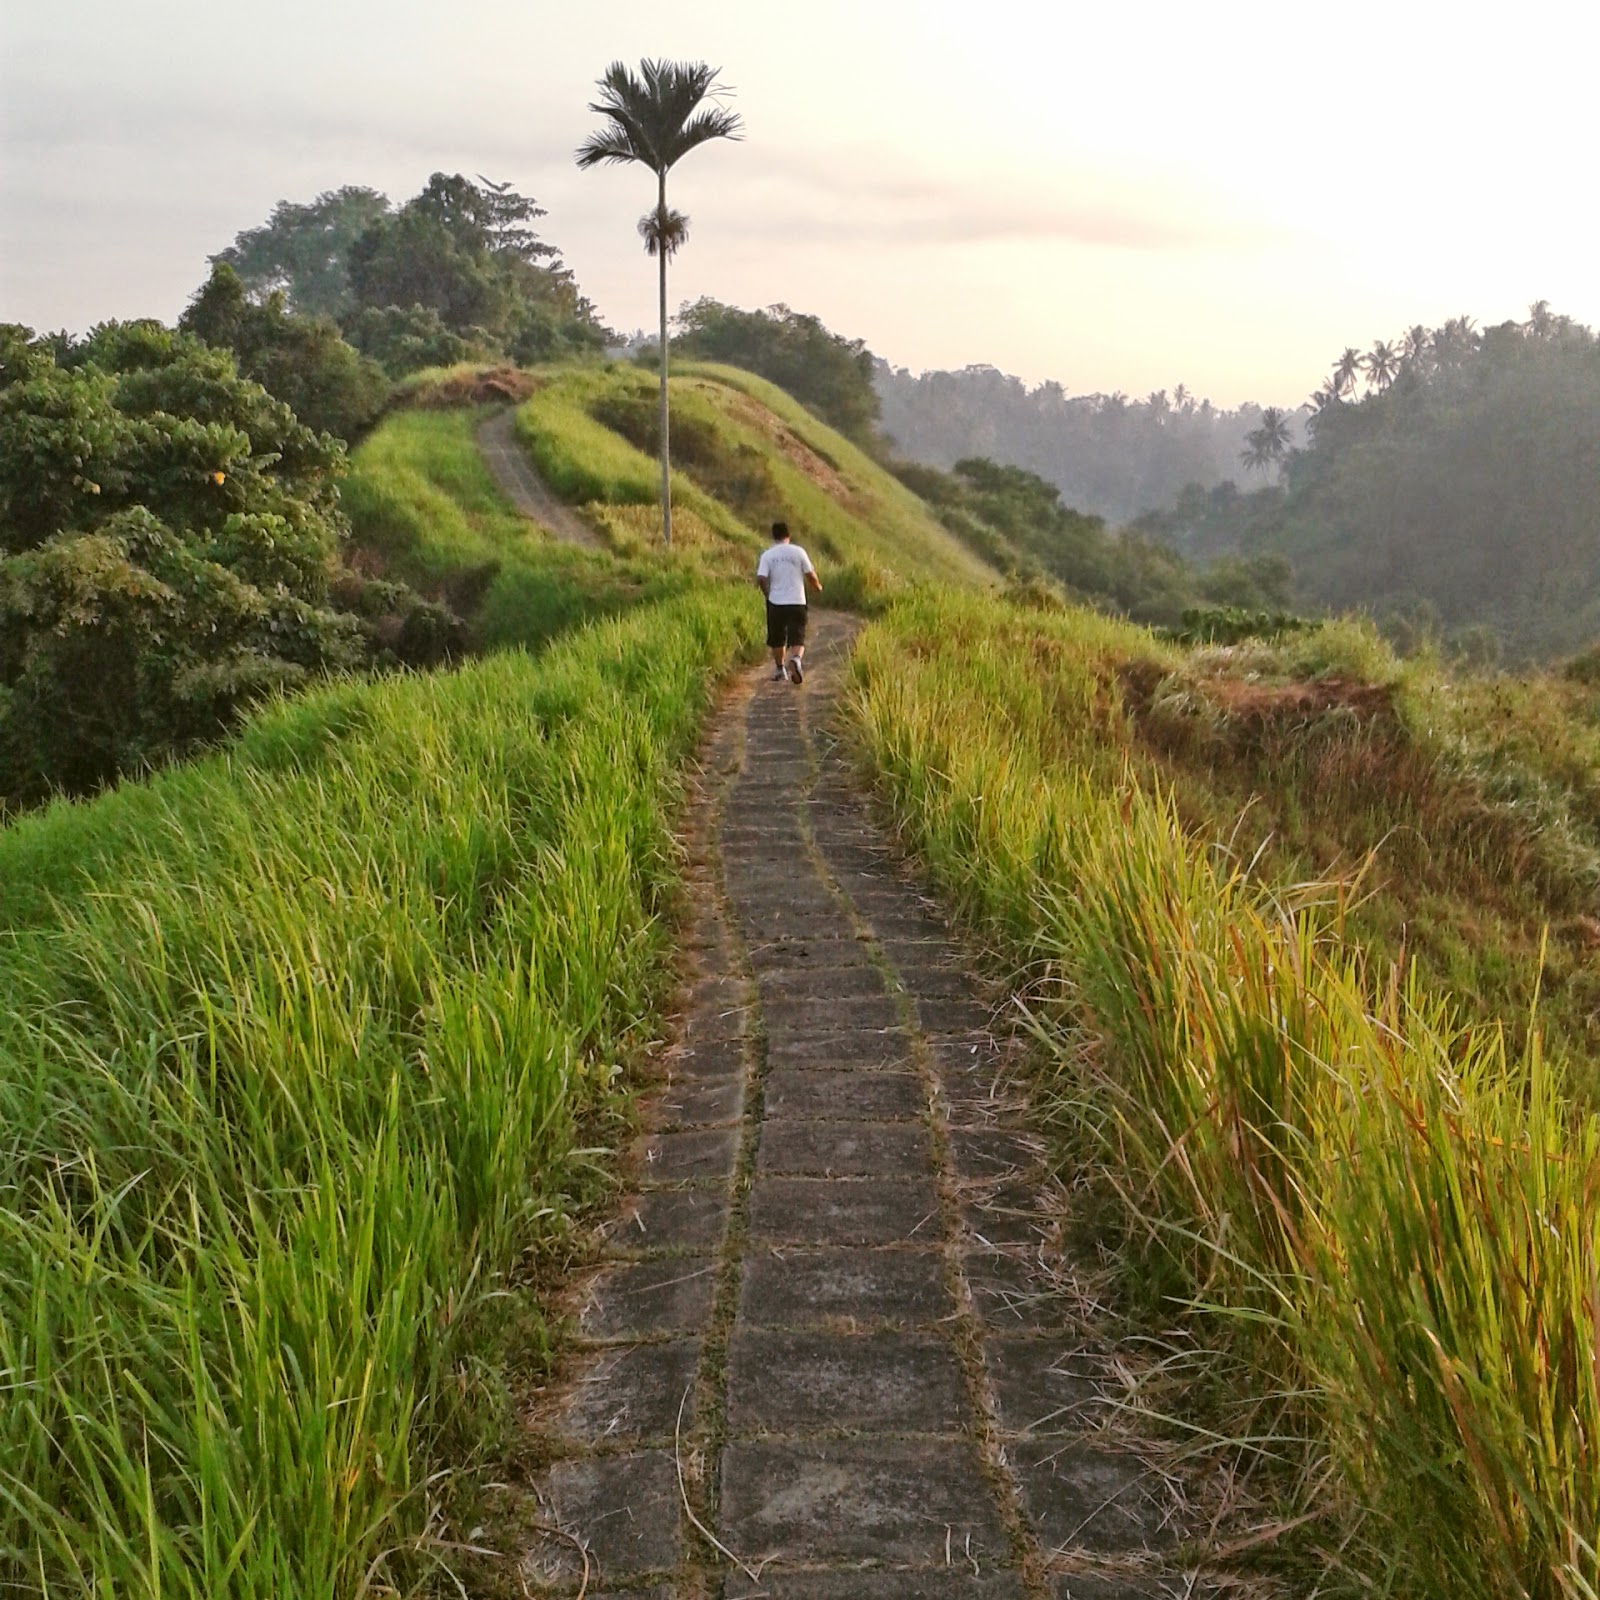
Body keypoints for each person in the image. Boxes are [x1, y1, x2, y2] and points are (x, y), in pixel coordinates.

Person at [755, 521, 821, 683]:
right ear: (788, 535)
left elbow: (761, 578)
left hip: (776, 602)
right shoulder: (798, 552)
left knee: (777, 637)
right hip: (797, 600)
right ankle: (796, 659)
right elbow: (810, 574)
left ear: (773, 536)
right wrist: (817, 586)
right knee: (797, 633)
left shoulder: (768, 555)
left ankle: (780, 669)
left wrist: (767, 593)